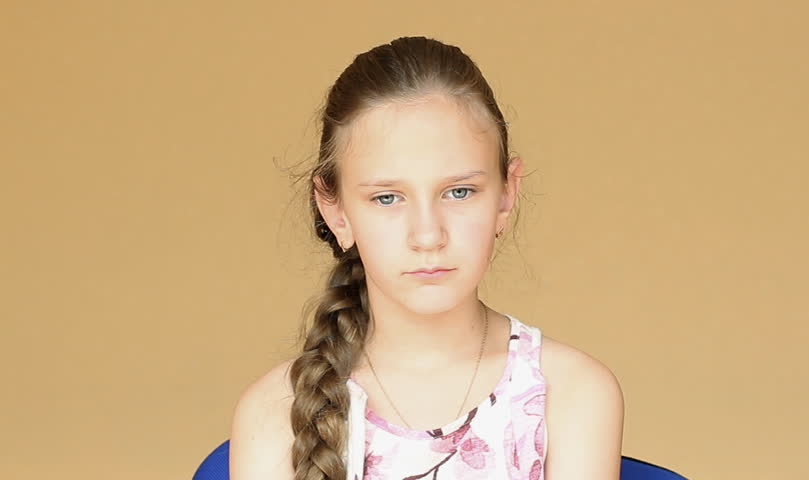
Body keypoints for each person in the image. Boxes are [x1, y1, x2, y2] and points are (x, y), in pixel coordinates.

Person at [229, 36, 624, 480]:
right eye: (387, 197)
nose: (428, 235)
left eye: (459, 192)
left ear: (506, 194)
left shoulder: (568, 393)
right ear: (335, 211)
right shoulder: (273, 412)